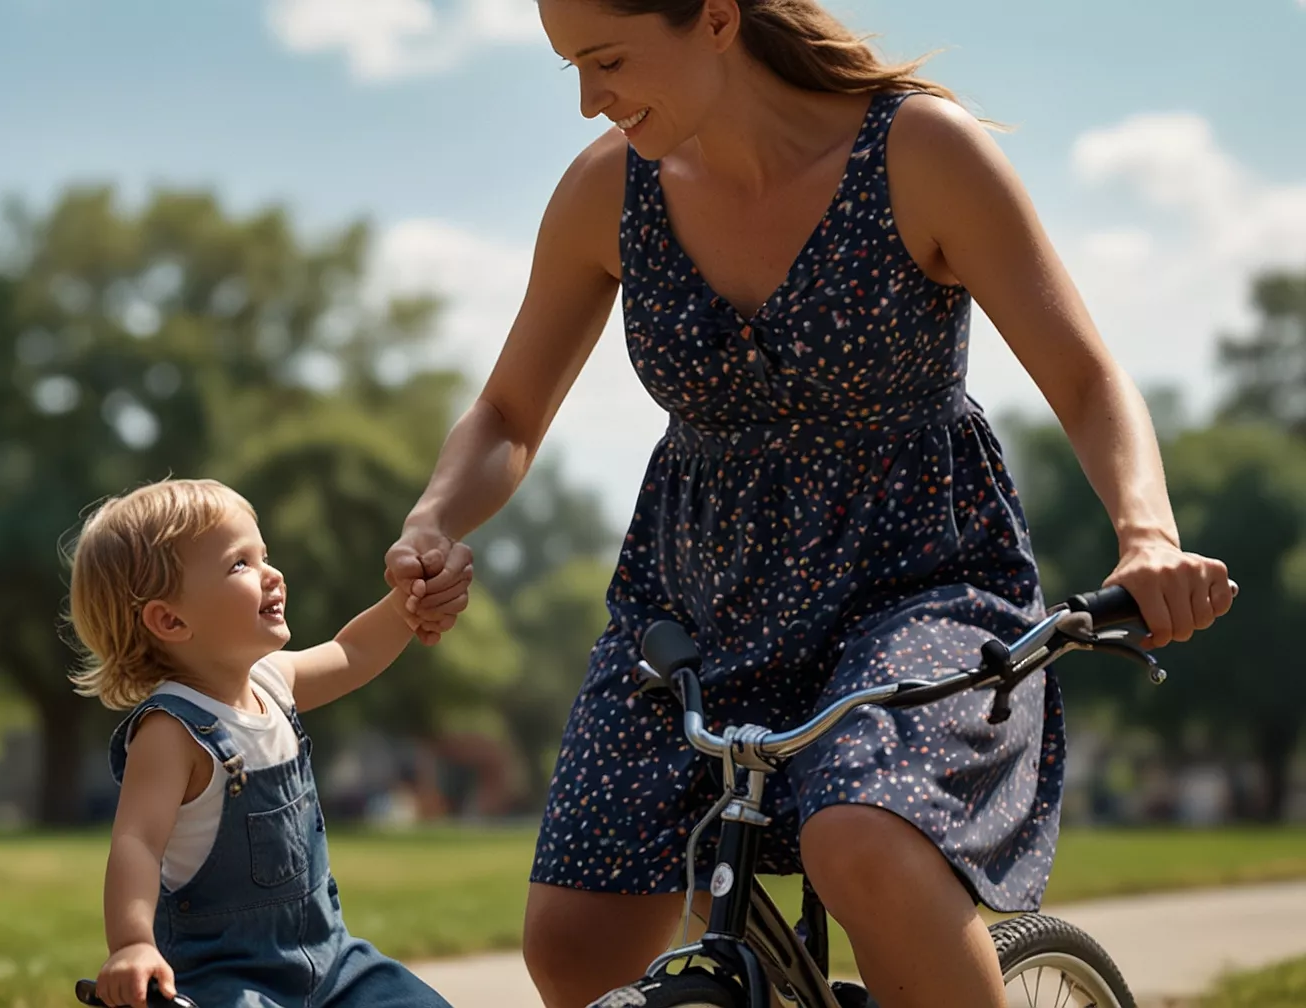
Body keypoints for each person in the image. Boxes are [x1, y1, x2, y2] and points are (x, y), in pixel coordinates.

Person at [381, 2, 1236, 1006]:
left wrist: (1146, 534)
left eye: (606, 60)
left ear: (714, 18)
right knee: (574, 943)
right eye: (570, 66)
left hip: (917, 587)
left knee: (864, 841)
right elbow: (508, 412)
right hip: (691, 602)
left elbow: (1086, 379)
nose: (587, 100)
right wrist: (434, 517)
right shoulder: (607, 189)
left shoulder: (919, 152)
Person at [70, 478, 452, 1008]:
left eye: (264, 555)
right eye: (240, 564)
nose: (272, 574)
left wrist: (408, 603)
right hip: (228, 976)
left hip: (332, 960)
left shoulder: (273, 681)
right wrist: (133, 944)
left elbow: (354, 652)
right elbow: (137, 843)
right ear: (171, 619)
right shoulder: (171, 731)